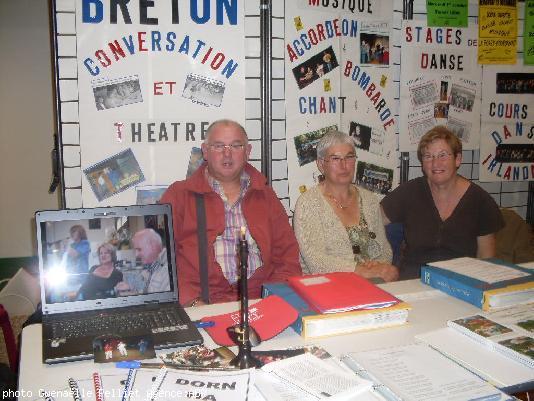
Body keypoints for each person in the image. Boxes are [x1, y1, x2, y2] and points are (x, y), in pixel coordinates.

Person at [160, 119, 301, 306]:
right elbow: (160, 260)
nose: (227, 154)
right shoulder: (178, 195)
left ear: (248, 152)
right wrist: (191, 302)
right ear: (205, 151)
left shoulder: (265, 195)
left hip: (259, 302)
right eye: (218, 146)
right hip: (201, 304)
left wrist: (275, 299)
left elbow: (287, 257)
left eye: (236, 145)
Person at [380, 126, 504, 280]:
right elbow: (372, 218)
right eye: (428, 156)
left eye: (443, 155)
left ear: (458, 159)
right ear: (422, 163)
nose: (435, 163)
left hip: (460, 283)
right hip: (413, 281)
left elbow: (486, 260)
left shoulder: (481, 202)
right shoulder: (409, 192)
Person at [293, 130, 398, 282]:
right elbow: (316, 262)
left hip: (373, 282)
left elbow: (385, 249)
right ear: (321, 164)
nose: (344, 165)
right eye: (335, 159)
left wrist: (379, 266)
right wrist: (359, 271)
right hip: (328, 287)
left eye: (349, 157)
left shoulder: (369, 200)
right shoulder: (308, 204)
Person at [132, 228, 170, 293]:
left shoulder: (169, 269)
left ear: (153, 246)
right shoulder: (151, 265)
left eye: (139, 249)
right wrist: (131, 286)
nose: (136, 255)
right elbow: (146, 289)